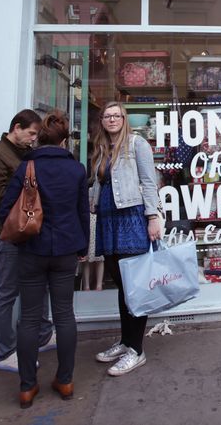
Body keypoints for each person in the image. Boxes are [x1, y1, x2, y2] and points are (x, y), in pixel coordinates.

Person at [0, 110, 89, 409]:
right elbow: (81, 213)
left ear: (41, 138)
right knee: (64, 315)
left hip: (32, 251)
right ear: (63, 141)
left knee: (29, 319)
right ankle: (65, 380)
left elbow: (5, 211)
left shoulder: (27, 166)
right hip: (65, 250)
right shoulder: (76, 170)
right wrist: (82, 245)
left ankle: (26, 387)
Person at [0, 109, 55, 372]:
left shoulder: (23, 154)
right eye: (31, 133)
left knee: (39, 284)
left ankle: (44, 335)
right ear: (16, 128)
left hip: (29, 231)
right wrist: (28, 194)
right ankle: (6, 350)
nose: (34, 139)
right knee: (7, 291)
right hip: (7, 233)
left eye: (36, 135)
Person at [91, 102, 163, 376]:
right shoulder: (100, 147)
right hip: (108, 220)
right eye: (107, 116)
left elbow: (148, 181)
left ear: (124, 119)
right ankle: (125, 341)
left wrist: (152, 216)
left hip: (131, 218)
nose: (112, 120)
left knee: (134, 287)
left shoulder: (136, 144)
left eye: (116, 115)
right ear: (102, 120)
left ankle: (137, 350)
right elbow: (98, 183)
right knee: (121, 285)